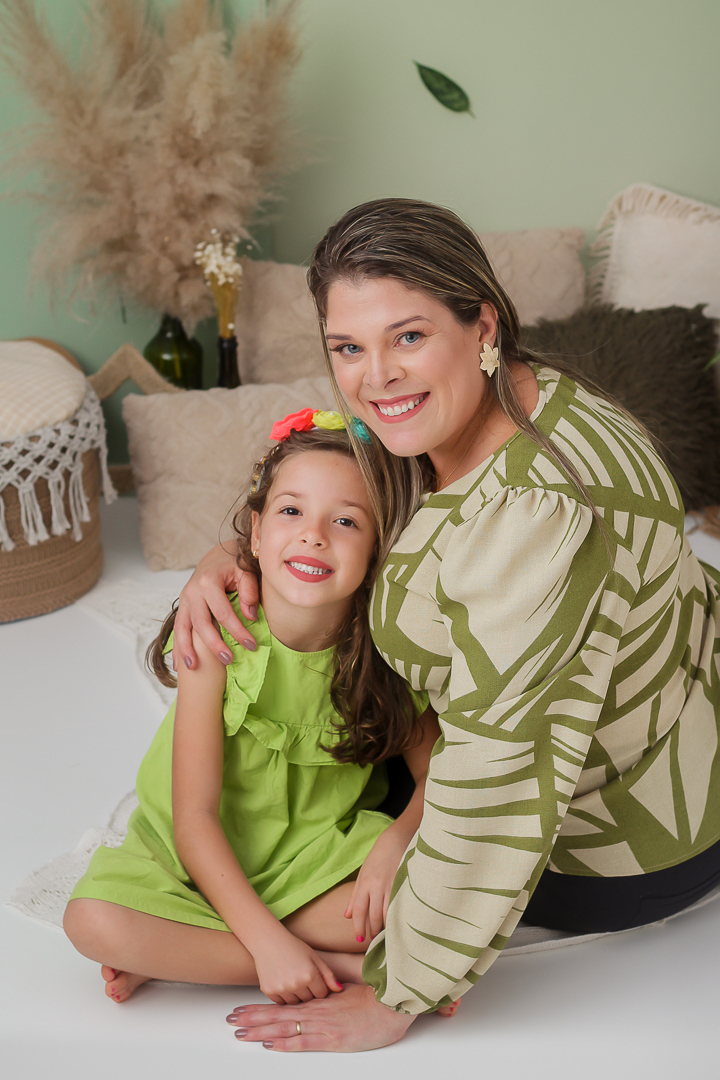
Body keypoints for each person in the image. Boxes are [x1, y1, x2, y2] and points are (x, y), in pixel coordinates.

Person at [175, 198, 720, 1053]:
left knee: (258, 830)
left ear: (483, 326)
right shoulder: (522, 398)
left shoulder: (538, 514)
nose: (376, 377)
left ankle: (201, 939)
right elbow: (329, 480)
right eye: (348, 347)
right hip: (683, 726)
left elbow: (501, 771)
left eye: (409, 336)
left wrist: (403, 990)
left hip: (607, 837)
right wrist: (231, 554)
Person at [63, 414, 441, 1006]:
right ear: (256, 536)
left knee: (427, 905)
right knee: (91, 922)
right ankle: (328, 963)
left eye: (346, 521)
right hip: (191, 854)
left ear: (377, 553)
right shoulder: (218, 637)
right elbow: (193, 819)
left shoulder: (386, 652)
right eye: (292, 511)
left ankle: (186, 949)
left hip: (313, 860)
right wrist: (268, 948)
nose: (314, 536)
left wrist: (397, 839)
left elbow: (439, 773)